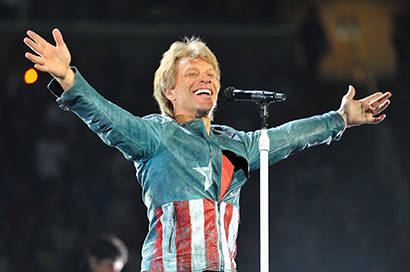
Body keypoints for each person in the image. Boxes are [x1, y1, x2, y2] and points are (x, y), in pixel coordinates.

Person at [24, 28, 391, 272]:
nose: (207, 80)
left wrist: (340, 119)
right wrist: (68, 77)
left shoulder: (237, 145)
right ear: (169, 91)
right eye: (193, 75)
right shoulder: (156, 135)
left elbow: (289, 136)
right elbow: (109, 119)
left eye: (211, 75)